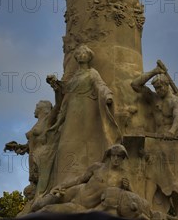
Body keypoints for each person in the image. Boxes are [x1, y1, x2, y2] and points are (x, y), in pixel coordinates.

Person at [47, 45, 122, 187]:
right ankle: (65, 180)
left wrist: (107, 95)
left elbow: (100, 85)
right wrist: (55, 83)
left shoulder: (92, 72)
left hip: (87, 107)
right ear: (76, 57)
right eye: (79, 53)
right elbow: (66, 89)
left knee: (87, 140)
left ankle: (87, 176)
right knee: (67, 142)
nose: (81, 55)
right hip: (72, 110)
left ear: (89, 56)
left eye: (84, 53)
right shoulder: (75, 76)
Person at [131, 64, 178, 220]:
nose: (158, 91)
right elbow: (135, 85)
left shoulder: (175, 101)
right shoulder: (154, 98)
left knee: (174, 179)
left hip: (174, 143)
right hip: (157, 141)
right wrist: (154, 72)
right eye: (155, 88)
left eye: (160, 88)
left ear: (166, 85)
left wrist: (171, 130)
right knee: (152, 174)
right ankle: (147, 205)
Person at [33, 145, 151, 219]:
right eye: (114, 155)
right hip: (76, 191)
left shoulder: (123, 177)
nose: (116, 159)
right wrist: (61, 185)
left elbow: (131, 198)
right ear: (109, 156)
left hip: (82, 207)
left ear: (123, 158)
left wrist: (129, 188)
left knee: (47, 211)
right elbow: (80, 179)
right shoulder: (97, 167)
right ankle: (34, 205)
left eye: (119, 156)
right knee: (41, 204)